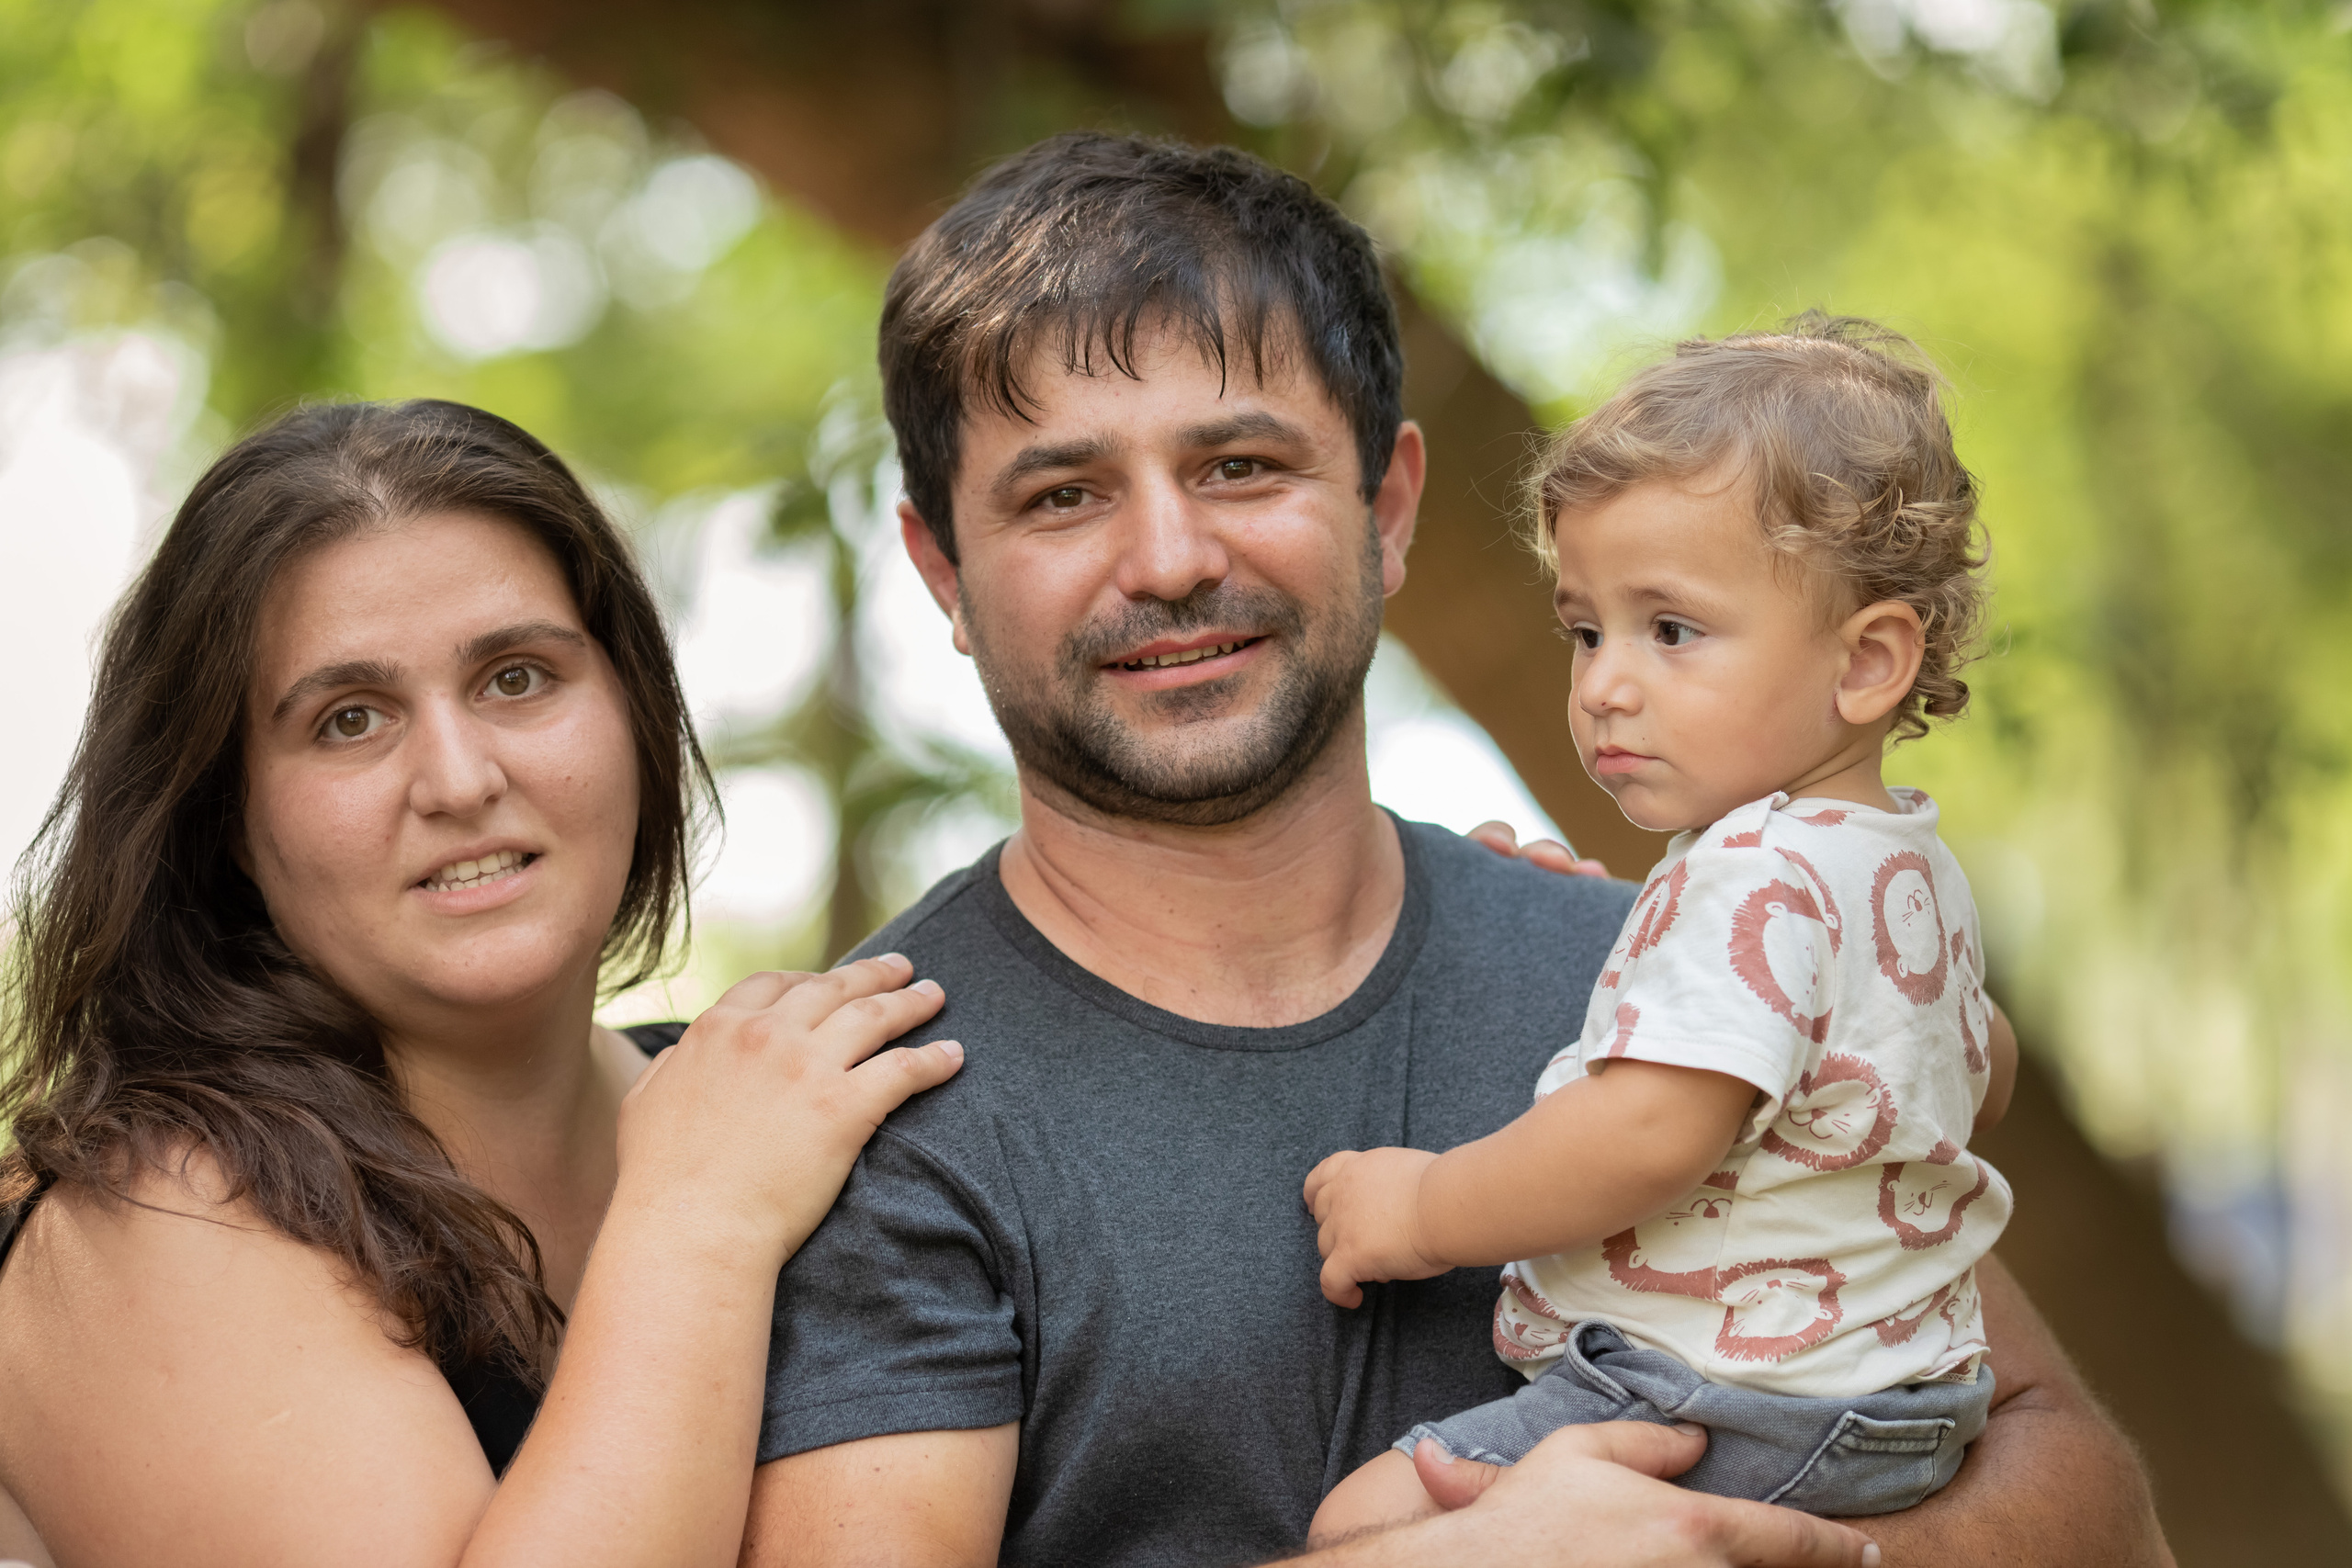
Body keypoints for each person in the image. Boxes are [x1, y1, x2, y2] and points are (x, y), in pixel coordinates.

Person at [738, 133, 2169, 1566]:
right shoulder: (865, 1096)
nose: (1169, 557)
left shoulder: (1654, 963)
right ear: (943, 570)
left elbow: (2094, 1502)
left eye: (1240, 464)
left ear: (1391, 507)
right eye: (1064, 494)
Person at [0, 400, 964, 1567]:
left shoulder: (771, 1106)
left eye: (517, 678)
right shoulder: (142, 1218)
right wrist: (696, 1227)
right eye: (349, 720)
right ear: (226, 823)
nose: (458, 780)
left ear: (634, 711)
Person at [1306, 315, 2018, 1542]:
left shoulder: (1750, 872)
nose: (1603, 684)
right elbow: (1978, 1070)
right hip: (1915, 1397)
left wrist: (1420, 1208)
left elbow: (1646, 1133)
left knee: (1367, 1527)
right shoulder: (1909, 867)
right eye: (1587, 629)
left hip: (1730, 1400)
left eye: (1670, 630)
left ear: (1867, 666)